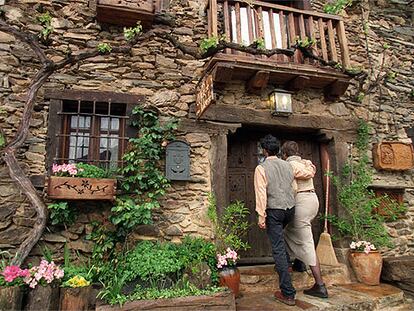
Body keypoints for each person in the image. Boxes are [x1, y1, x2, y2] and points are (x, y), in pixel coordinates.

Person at [281, 141, 329, 299]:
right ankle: (299, 263)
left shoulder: (288, 165)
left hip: (301, 201)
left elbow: (290, 187)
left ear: (285, 154)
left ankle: (320, 285)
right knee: (288, 232)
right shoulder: (306, 163)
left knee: (306, 242)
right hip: (313, 200)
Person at [254, 134, 296, 306]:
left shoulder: (261, 168)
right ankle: (287, 264)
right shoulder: (288, 166)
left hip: (274, 211)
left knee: (277, 248)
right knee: (280, 241)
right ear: (277, 150)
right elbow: (293, 187)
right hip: (290, 209)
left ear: (264, 150)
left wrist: (261, 215)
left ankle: (288, 293)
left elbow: (261, 194)